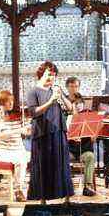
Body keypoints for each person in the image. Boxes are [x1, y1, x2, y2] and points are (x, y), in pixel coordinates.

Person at [27, 61, 74, 203]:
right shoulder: (33, 91)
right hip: (43, 133)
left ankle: (66, 198)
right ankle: (43, 199)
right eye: (49, 75)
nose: (51, 78)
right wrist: (50, 101)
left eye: (53, 76)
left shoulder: (55, 90)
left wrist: (61, 96)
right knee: (43, 166)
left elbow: (70, 108)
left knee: (61, 164)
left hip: (58, 131)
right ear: (42, 74)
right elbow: (33, 112)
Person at [0, 90, 29, 201]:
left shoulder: (18, 116)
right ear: (2, 103)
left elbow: (27, 132)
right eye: (9, 102)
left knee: (28, 157)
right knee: (20, 160)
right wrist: (19, 130)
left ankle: (31, 188)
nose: (11, 104)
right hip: (4, 151)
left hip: (19, 148)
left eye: (12, 102)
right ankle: (18, 190)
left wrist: (28, 129)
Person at [65, 77, 97, 196]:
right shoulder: (64, 108)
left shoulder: (85, 109)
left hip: (84, 148)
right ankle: (65, 186)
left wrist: (94, 135)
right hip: (68, 148)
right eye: (72, 86)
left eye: (76, 86)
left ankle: (87, 186)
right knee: (61, 156)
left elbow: (93, 127)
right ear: (67, 87)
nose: (74, 89)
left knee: (90, 157)